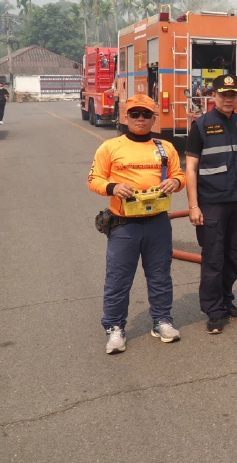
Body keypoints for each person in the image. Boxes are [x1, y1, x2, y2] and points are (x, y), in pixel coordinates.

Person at [87, 94, 185, 355]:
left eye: (146, 114)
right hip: (123, 224)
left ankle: (162, 321)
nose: (140, 119)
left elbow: (179, 175)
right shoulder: (110, 147)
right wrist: (112, 186)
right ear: (126, 117)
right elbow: (93, 179)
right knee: (118, 279)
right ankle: (115, 328)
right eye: (135, 114)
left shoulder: (166, 147)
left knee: (160, 275)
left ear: (154, 118)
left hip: (158, 222)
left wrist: (175, 182)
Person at [185, 74, 237, 334]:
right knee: (213, 259)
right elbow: (191, 168)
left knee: (233, 256)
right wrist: (194, 206)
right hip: (212, 205)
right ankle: (214, 310)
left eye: (233, 95)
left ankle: (227, 301)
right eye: (223, 94)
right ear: (213, 96)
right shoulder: (201, 125)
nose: (229, 99)